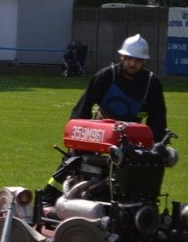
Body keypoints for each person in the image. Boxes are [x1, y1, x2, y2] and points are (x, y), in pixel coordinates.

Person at [37, 34, 167, 206]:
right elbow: (85, 104)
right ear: (122, 57)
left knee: (138, 170)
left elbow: (158, 116)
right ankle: (48, 198)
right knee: (72, 162)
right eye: (129, 58)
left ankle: (132, 204)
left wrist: (156, 144)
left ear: (144, 62)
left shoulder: (151, 83)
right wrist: (77, 137)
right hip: (99, 134)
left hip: (132, 139)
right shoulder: (106, 76)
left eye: (137, 60)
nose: (132, 63)